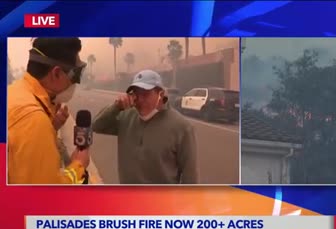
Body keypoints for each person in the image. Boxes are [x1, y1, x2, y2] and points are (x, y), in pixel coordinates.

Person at [93, 70, 199, 184]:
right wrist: (116, 107)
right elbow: (97, 125)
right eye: (136, 94)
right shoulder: (127, 116)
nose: (139, 99)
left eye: (145, 94)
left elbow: (190, 176)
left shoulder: (182, 127)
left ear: (161, 94)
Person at [7, 38, 90, 184]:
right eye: (75, 74)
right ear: (56, 73)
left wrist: (51, 127)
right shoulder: (33, 120)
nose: (76, 82)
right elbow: (46, 197)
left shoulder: (14, 92)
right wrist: (79, 166)